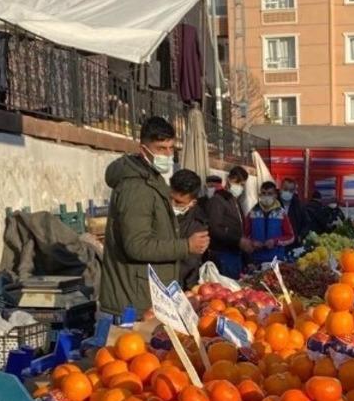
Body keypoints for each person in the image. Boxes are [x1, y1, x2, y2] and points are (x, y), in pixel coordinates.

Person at [99, 116, 210, 318]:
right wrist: (186, 246)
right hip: (133, 302)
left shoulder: (152, 180)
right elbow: (137, 245)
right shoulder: (136, 187)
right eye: (161, 148)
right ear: (144, 150)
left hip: (145, 296)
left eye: (171, 149)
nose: (168, 155)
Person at [204, 165, 251, 278]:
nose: (240, 187)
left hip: (235, 253)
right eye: (238, 183)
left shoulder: (234, 200)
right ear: (229, 180)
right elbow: (215, 228)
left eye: (242, 185)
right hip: (223, 254)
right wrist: (238, 240)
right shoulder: (218, 200)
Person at [170, 170, 209, 290]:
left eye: (178, 202)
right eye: (170, 198)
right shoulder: (159, 210)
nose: (172, 204)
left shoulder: (198, 224)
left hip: (179, 286)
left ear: (192, 203)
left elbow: (189, 264)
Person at [245, 181, 296, 265]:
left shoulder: (281, 213)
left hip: (276, 260)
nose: (266, 196)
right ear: (260, 195)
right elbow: (244, 236)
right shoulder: (253, 212)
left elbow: (291, 237)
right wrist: (252, 243)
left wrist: (275, 241)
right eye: (263, 193)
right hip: (256, 260)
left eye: (269, 194)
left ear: (275, 195)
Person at [280, 179, 309, 243]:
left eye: (291, 190)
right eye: (285, 189)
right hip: (276, 244)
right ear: (280, 188)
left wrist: (300, 236)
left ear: (294, 191)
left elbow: (307, 223)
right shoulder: (274, 204)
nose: (287, 192)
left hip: (293, 243)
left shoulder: (299, 205)